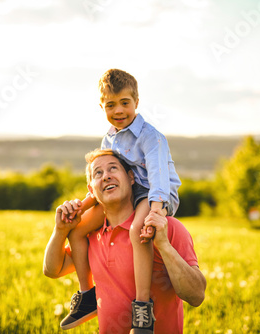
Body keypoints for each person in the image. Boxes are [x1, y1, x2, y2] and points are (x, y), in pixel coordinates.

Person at [60, 69, 182, 332]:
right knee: (78, 229)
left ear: (136, 102)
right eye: (111, 105)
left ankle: (141, 307)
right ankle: (87, 295)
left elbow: (159, 177)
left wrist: (157, 212)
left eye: (125, 103)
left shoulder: (151, 136)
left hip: (154, 194)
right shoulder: (109, 138)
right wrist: (81, 208)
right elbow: (105, 177)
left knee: (139, 229)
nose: (118, 110)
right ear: (102, 106)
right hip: (129, 192)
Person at [43, 149, 206, 334]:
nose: (106, 176)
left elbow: (196, 296)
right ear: (91, 190)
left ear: (131, 177)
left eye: (113, 168)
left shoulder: (166, 227)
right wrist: (60, 231)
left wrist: (164, 246)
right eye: (98, 173)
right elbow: (52, 270)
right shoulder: (90, 236)